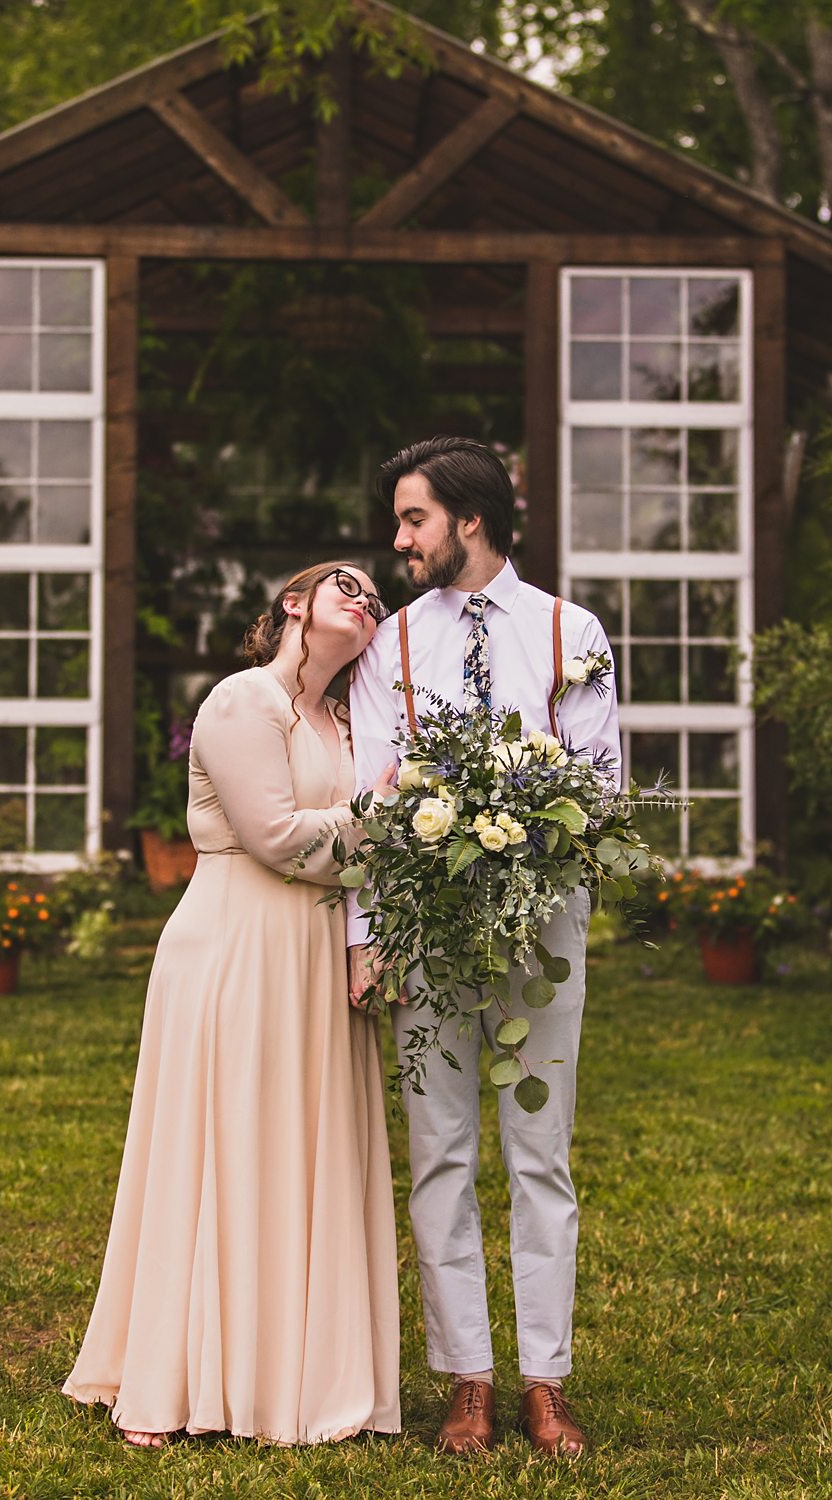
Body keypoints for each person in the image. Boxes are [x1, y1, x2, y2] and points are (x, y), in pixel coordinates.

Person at [63, 562, 401, 1447]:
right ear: (294, 604)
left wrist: (367, 924)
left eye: (376, 600)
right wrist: (386, 814)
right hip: (236, 950)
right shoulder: (243, 702)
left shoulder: (347, 722)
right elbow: (276, 837)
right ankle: (176, 1378)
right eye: (347, 586)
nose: (366, 602)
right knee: (221, 1149)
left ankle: (292, 1376)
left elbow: (347, 850)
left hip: (315, 960)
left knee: (301, 1149)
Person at [347, 437, 621, 1459]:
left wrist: (522, 834)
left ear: (469, 519)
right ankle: (467, 1378)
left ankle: (546, 1381)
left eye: (413, 518)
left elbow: (599, 783)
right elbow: (372, 798)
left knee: (540, 1155)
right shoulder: (390, 647)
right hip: (427, 928)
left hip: (542, 927)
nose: (399, 540)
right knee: (440, 1154)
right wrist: (369, 934)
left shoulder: (568, 631)